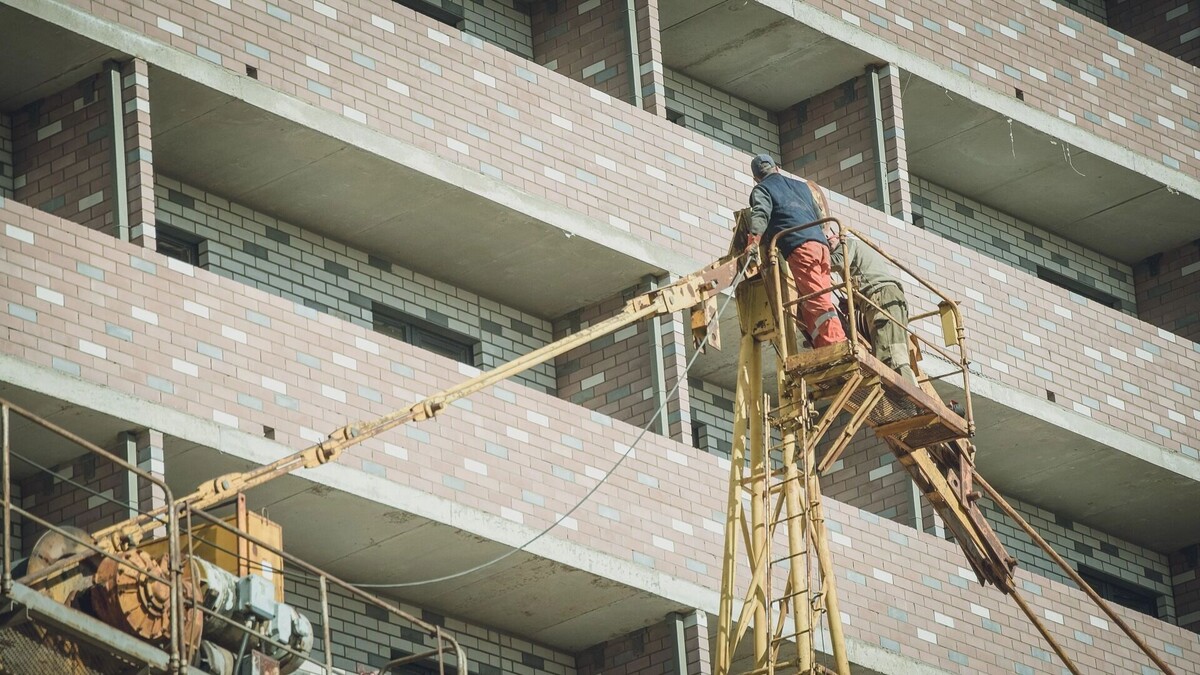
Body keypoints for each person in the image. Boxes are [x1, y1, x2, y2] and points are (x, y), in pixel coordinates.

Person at [745, 154, 847, 348]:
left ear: (756, 178)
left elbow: (760, 214)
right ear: (777, 168)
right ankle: (821, 341)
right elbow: (820, 216)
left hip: (801, 247)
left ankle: (836, 343)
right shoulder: (802, 187)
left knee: (816, 299)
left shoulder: (762, 189)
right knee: (818, 298)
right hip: (821, 247)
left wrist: (753, 241)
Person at [823, 222, 916, 385]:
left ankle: (910, 400)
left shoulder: (848, 243)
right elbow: (868, 279)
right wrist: (856, 303)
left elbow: (837, 262)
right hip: (886, 299)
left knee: (891, 357)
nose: (829, 248)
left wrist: (811, 257)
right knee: (891, 353)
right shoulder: (859, 254)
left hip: (883, 299)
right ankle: (908, 397)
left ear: (837, 236)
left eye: (829, 242)